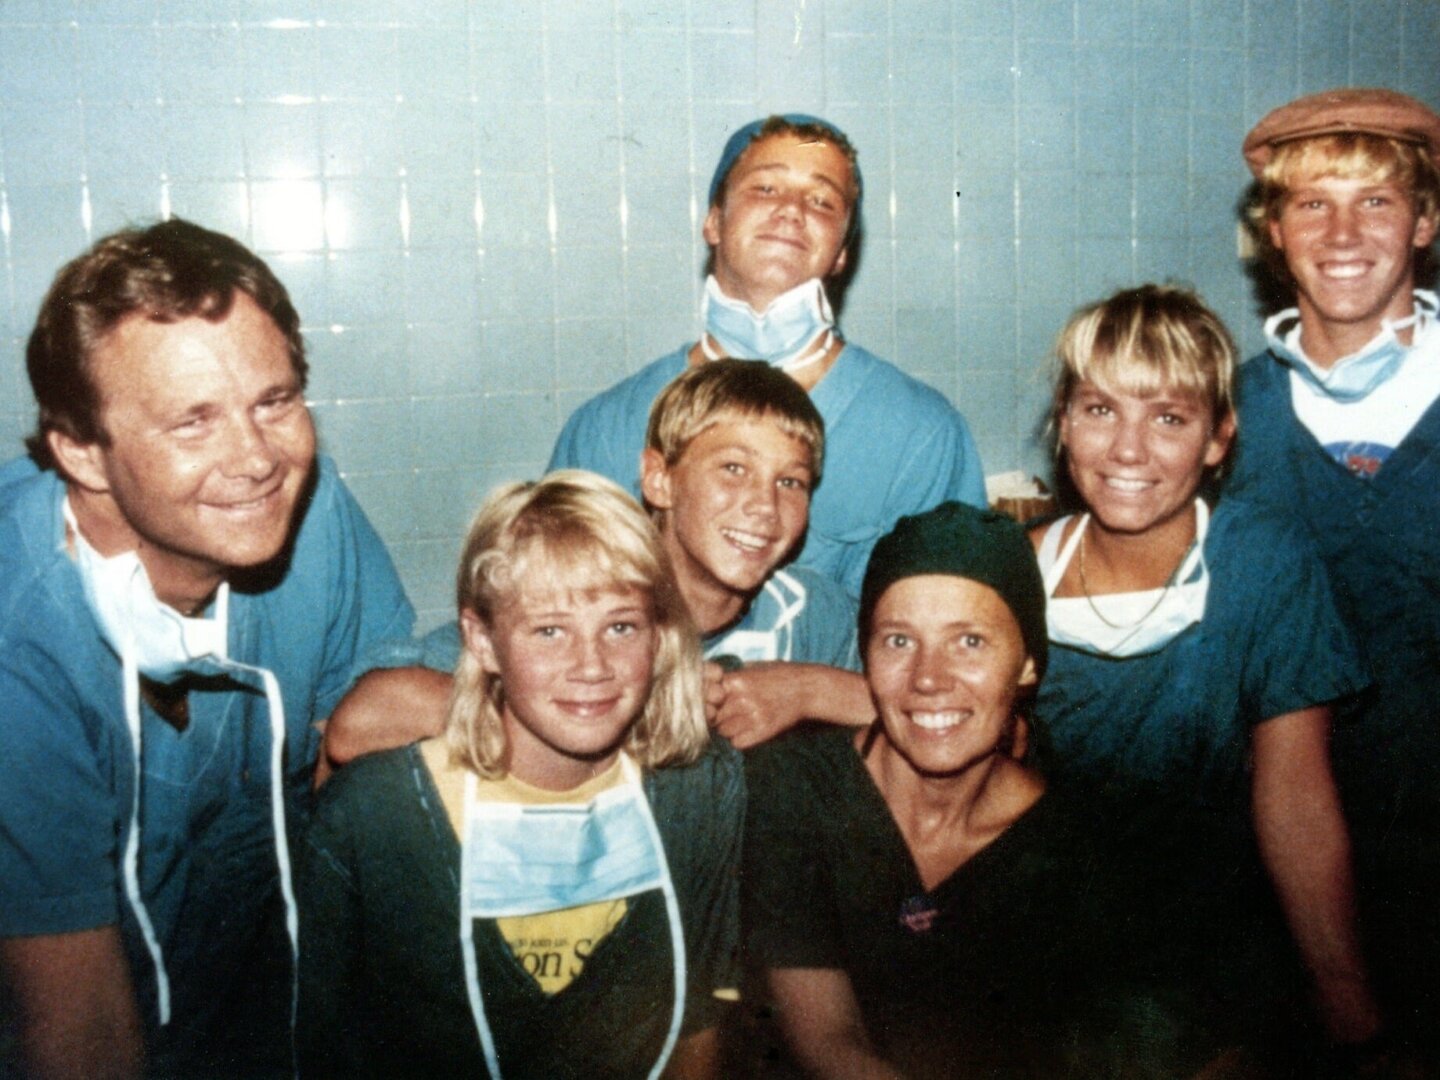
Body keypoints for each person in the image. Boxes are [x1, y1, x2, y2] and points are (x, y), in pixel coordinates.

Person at [0, 219, 414, 1079]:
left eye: (275, 400)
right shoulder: (19, 632)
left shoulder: (315, 515)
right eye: (193, 422)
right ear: (80, 449)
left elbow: (375, 721)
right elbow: (76, 1029)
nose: (258, 458)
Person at [1030, 285, 1381, 1062]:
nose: (1128, 450)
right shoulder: (1017, 571)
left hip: (1219, 967)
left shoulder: (1261, 563)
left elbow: (1295, 798)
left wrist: (1346, 1002)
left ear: (1219, 437)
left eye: (1168, 418)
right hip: (1051, 960)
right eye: (1099, 410)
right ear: (1063, 423)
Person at [295, 471, 742, 1079]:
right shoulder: (376, 812)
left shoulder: (696, 790)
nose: (592, 666)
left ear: (660, 636)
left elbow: (699, 1020)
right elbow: (321, 1045)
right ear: (481, 640)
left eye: (621, 626)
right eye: (550, 631)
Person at [744, 502, 1174, 1078]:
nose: (928, 678)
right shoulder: (794, 792)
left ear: (1026, 665)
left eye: (969, 641)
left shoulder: (1079, 848)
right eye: (898, 641)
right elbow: (828, 1045)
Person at [321, 359, 871, 768]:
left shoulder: (806, 611)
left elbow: (923, 695)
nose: (763, 505)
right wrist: (630, 707)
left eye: (790, 482)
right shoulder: (592, 589)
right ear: (659, 480)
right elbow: (361, 722)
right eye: (732, 468)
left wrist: (809, 690)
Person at [549, 114, 986, 598]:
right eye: (765, 189)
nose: (793, 211)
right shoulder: (606, 429)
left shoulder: (919, 433)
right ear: (713, 220)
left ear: (842, 251)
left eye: (822, 200)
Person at [1230, 88, 1440, 1055]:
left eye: (1378, 201)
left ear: (1428, 221)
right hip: (1271, 887)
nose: (1343, 232)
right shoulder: (1222, 417)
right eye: (1312, 202)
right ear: (1275, 232)